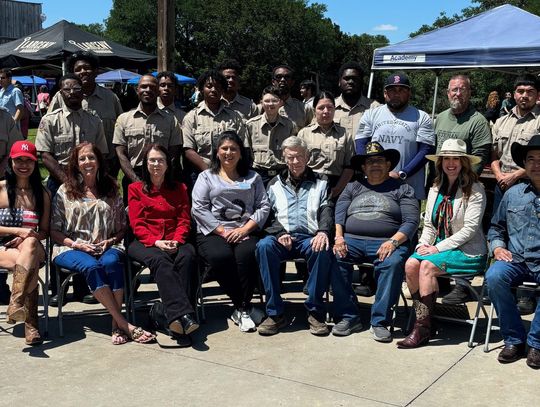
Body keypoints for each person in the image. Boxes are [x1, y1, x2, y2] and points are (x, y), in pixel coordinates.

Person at [50, 142, 155, 344]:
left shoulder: (111, 188)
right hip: (71, 247)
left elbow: (122, 227)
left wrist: (111, 240)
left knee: (111, 263)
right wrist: (77, 244)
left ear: (98, 161)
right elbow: (54, 230)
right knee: (91, 266)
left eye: (91, 157)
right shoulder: (65, 191)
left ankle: (116, 325)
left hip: (107, 245)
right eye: (82, 158)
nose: (87, 162)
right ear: (75, 163)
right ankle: (124, 324)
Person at [256, 136, 361, 336]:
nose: (295, 162)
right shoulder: (272, 184)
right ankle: (275, 313)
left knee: (322, 249)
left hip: (309, 237)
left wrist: (323, 232)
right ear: (284, 158)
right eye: (290, 157)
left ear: (307, 157)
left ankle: (314, 311)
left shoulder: (321, 182)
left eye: (299, 157)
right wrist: (279, 233)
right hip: (281, 237)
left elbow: (327, 209)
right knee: (263, 247)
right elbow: (267, 214)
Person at [397, 139, 487, 348]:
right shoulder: (436, 187)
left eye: (456, 158)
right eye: (446, 158)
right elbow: (429, 224)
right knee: (411, 264)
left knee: (427, 266)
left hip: (467, 252)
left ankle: (422, 329)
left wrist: (436, 248)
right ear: (440, 162)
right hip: (437, 247)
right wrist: (422, 244)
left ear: (464, 162)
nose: (451, 163)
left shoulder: (475, 189)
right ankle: (427, 317)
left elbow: (469, 230)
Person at [334, 142, 419, 342]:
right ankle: (349, 316)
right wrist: (338, 238)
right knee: (334, 258)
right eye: (370, 161)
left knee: (393, 262)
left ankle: (380, 321)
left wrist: (393, 242)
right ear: (363, 167)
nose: (375, 165)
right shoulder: (352, 187)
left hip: (388, 240)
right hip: (351, 240)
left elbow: (411, 221)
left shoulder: (402, 188)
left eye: (380, 160)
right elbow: (339, 215)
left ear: (389, 164)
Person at [192, 131, 270, 332]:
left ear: (241, 153)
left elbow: (263, 206)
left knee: (247, 254)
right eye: (224, 148)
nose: (229, 152)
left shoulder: (253, 177)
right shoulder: (206, 177)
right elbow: (198, 208)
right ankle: (244, 307)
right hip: (214, 232)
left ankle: (241, 309)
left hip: (245, 230)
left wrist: (244, 230)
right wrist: (222, 232)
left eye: (233, 148)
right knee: (220, 256)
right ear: (217, 153)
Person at [431, 74, 492, 306]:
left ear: (469, 92)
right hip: (441, 182)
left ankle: (463, 284)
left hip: (465, 185)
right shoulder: (440, 118)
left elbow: (481, 154)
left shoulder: (477, 121)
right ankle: (441, 280)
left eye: (462, 89)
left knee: (462, 228)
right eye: (454, 89)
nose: (457, 93)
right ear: (447, 93)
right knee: (440, 225)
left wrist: (462, 180)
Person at [128, 144, 198, 341]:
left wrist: (176, 240)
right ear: (146, 164)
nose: (156, 164)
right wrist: (157, 242)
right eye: (152, 160)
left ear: (168, 164)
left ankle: (167, 315)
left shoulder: (180, 188)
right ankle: (184, 315)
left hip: (174, 239)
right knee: (161, 261)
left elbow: (184, 219)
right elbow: (137, 223)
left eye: (160, 160)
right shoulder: (135, 189)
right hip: (145, 242)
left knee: (187, 256)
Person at [486, 134, 540, 368]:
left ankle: (537, 343)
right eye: (531, 159)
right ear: (524, 164)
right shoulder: (513, 194)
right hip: (515, 259)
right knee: (494, 276)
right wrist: (497, 247)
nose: (536, 165)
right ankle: (514, 339)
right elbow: (496, 227)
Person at [356, 72, 435, 200]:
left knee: (408, 220)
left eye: (401, 90)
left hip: (408, 187)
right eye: (392, 90)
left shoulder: (422, 117)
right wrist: (368, 170)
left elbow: (426, 150)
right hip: (375, 183)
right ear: (385, 93)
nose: (396, 94)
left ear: (409, 93)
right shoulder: (370, 115)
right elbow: (361, 144)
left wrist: (403, 173)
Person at [0, 141, 49, 345]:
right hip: (3, 247)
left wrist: (27, 236)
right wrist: (18, 231)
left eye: (28, 160)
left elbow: (44, 231)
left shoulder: (42, 194)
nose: (23, 165)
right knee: (30, 264)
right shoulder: (0, 189)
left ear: (34, 163)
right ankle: (31, 324)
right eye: (18, 159)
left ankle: (16, 302)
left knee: (29, 246)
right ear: (11, 161)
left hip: (31, 246)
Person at [48, 52, 123, 178]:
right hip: (67, 169)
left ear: (96, 71)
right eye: (78, 69)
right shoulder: (59, 98)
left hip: (105, 167)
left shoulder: (111, 98)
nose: (83, 71)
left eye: (87, 68)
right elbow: (49, 126)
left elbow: (121, 130)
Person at [36, 73, 108, 197]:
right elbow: (46, 156)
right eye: (67, 89)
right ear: (60, 93)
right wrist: (68, 183)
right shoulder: (49, 121)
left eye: (76, 88)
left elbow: (102, 154)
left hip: (89, 181)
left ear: (83, 91)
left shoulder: (95, 121)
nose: (72, 92)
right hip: (58, 181)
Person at [113, 74, 182, 202]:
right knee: (134, 219)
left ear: (157, 92)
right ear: (137, 90)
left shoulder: (171, 121)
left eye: (152, 87)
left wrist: (161, 179)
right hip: (133, 177)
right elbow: (121, 153)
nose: (148, 90)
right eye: (144, 87)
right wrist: (136, 181)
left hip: (163, 177)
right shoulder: (124, 119)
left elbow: (174, 153)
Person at [182, 70, 247, 185]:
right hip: (201, 174)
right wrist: (209, 173)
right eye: (209, 86)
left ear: (222, 90)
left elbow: (242, 146)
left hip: (232, 174)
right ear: (202, 89)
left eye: (218, 87)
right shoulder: (191, 117)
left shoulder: (235, 117)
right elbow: (188, 150)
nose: (213, 90)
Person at [491, 75, 540, 213]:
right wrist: (499, 176)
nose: (524, 95)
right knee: (498, 227)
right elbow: (494, 155)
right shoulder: (500, 122)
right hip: (501, 184)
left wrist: (515, 176)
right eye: (520, 91)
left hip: (531, 185)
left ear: (538, 95)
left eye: (530, 92)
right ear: (514, 94)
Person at [298, 91, 355, 198]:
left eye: (330, 107)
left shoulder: (345, 135)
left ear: (334, 109)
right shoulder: (304, 134)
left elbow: (349, 167)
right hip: (309, 185)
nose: (326, 111)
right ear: (314, 110)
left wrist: (337, 189)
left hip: (337, 185)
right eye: (321, 108)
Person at [246, 86, 296, 185]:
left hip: (282, 173)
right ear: (261, 103)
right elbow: (247, 153)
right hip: (258, 174)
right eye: (267, 101)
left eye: (274, 101)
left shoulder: (289, 125)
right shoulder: (251, 125)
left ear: (281, 103)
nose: (270, 104)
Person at [333, 62, 379, 139]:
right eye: (346, 78)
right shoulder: (328, 107)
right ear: (339, 82)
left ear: (362, 82)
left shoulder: (375, 108)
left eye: (355, 79)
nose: (350, 82)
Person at [271, 65, 313, 130]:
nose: (282, 80)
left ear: (292, 82)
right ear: (273, 82)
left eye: (287, 77)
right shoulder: (264, 108)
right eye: (278, 77)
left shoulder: (305, 109)